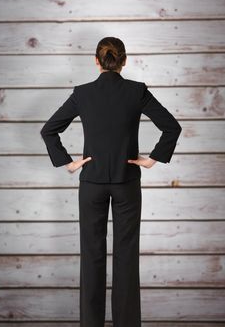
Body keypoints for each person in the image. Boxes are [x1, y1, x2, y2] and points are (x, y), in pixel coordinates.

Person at [40, 36, 182, 327]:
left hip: (91, 182)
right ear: (124, 61)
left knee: (91, 257)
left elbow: (49, 130)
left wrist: (69, 162)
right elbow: (172, 127)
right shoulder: (137, 91)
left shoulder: (82, 93)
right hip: (127, 181)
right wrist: (152, 158)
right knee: (126, 258)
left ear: (97, 61)